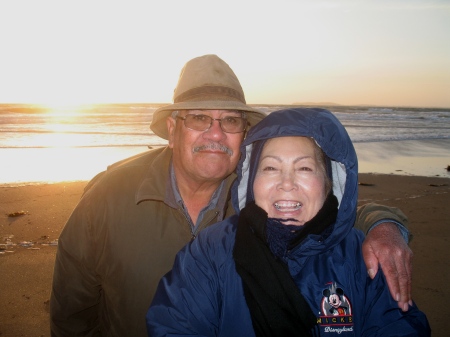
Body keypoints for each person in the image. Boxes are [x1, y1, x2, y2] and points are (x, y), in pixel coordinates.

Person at [50, 55, 412, 337]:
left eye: (231, 121)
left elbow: (327, 209)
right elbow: (72, 311)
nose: (216, 133)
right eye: (198, 118)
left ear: (245, 135)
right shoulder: (108, 198)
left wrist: (384, 224)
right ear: (173, 129)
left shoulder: (258, 196)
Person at [146, 108, 430, 336]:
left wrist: (385, 223)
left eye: (304, 168)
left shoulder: (363, 257)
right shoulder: (210, 251)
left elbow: (399, 325)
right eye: (270, 168)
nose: (286, 183)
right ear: (251, 179)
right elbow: (175, 325)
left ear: (330, 181)